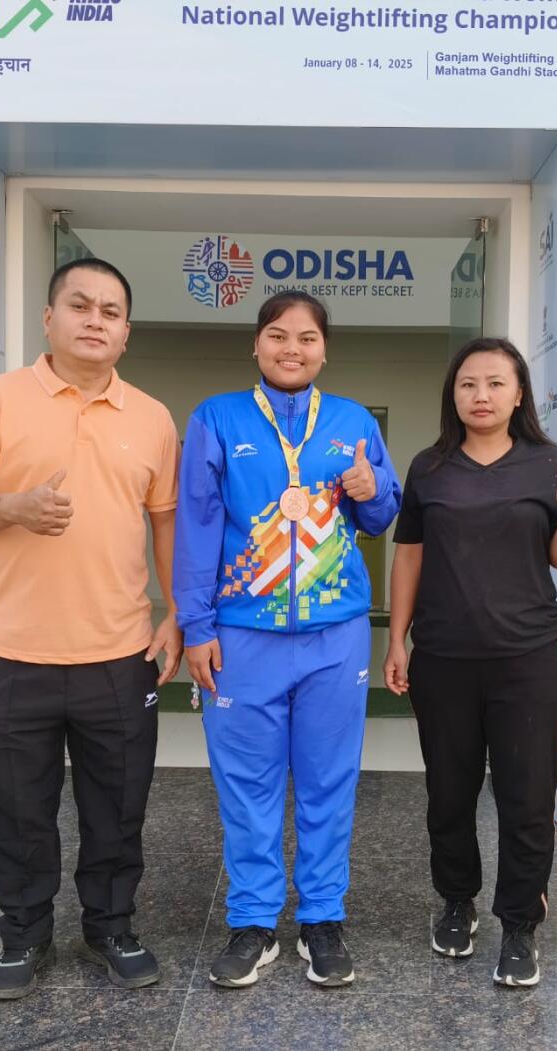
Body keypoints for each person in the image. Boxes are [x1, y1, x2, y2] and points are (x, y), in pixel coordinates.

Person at [0, 258, 182, 999]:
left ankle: (111, 926)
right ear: (49, 318)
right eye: (80, 305)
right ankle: (23, 936)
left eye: (111, 310)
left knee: (118, 810)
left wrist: (177, 612)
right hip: (12, 654)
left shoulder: (153, 417)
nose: (95, 320)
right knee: (17, 812)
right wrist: (11, 507)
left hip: (120, 653)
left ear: (126, 332)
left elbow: (165, 523)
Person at [174, 291, 401, 989]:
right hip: (244, 636)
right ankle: (252, 922)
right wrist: (196, 626)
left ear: (324, 350)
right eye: (277, 335)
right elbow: (197, 527)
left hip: (335, 636)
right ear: (256, 344)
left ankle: (323, 919)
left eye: (306, 338)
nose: (291, 348)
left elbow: (383, 515)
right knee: (248, 785)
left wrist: (369, 488)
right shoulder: (217, 418)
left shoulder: (353, 421)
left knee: (330, 780)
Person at [382, 337, 557, 987]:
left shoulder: (548, 463)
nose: (482, 395)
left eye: (496, 383)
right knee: (449, 793)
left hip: (528, 660)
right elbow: (409, 555)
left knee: (526, 798)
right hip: (444, 659)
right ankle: (456, 900)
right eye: (469, 383)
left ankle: (521, 923)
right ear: (453, 393)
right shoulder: (431, 466)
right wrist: (397, 639)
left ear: (519, 393)